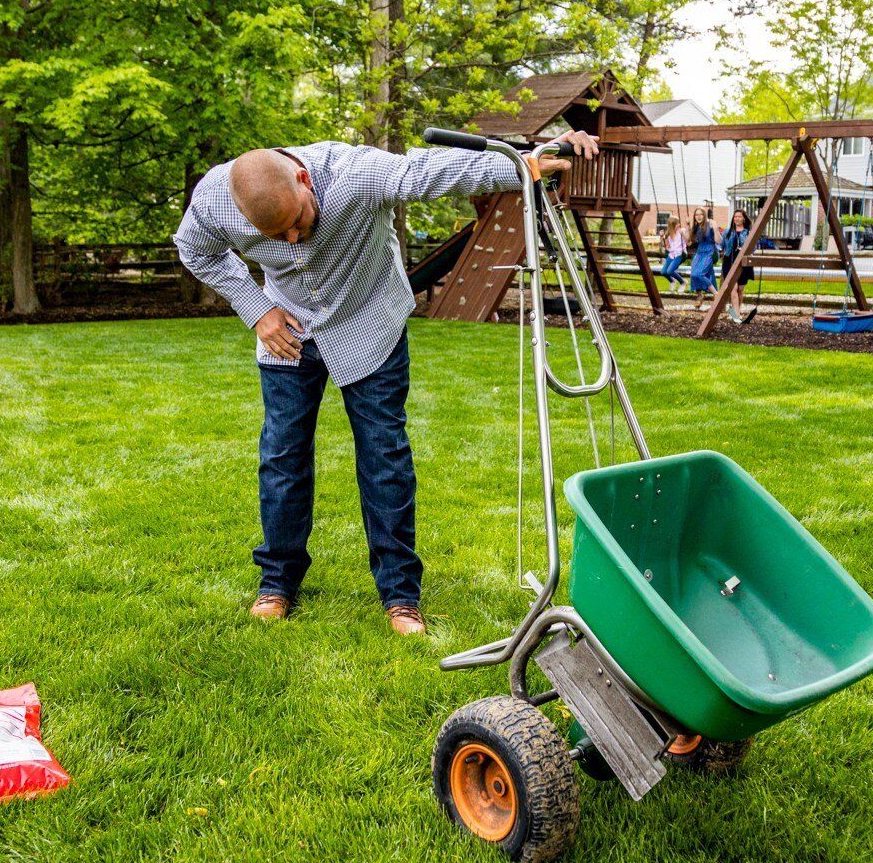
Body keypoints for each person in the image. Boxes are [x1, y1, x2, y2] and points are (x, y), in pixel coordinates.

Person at [174, 131, 600, 634]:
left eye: (296, 223)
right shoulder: (214, 201)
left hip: (367, 320)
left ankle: (400, 595)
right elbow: (195, 251)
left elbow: (434, 172)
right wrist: (256, 308)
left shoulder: (356, 173)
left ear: (305, 180)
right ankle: (277, 582)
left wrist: (527, 162)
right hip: (287, 328)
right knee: (282, 455)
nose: (291, 241)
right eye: (274, 236)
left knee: (383, 454)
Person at [719, 208, 754, 324]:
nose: (737, 218)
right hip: (730, 261)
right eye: (735, 217)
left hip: (743, 262)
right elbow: (722, 245)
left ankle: (735, 312)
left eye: (739, 216)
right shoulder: (727, 232)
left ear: (744, 218)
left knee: (740, 289)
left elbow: (753, 248)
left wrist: (743, 249)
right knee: (733, 288)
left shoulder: (749, 232)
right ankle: (737, 316)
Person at [687, 207, 718, 304]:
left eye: (701, 214)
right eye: (696, 215)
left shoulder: (711, 224)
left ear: (704, 215)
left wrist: (716, 229)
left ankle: (716, 294)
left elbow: (718, 240)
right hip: (700, 252)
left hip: (710, 251)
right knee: (693, 274)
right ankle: (700, 294)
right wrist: (688, 226)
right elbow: (689, 242)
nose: (699, 217)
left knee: (700, 274)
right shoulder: (696, 227)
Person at [659, 215, 687, 290]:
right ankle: (672, 281)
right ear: (672, 225)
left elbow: (688, 241)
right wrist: (661, 237)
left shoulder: (682, 231)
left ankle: (683, 282)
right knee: (663, 272)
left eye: (679, 223)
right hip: (671, 255)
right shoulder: (668, 234)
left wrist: (684, 233)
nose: (679, 225)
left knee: (670, 271)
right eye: (677, 223)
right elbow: (665, 245)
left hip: (680, 254)